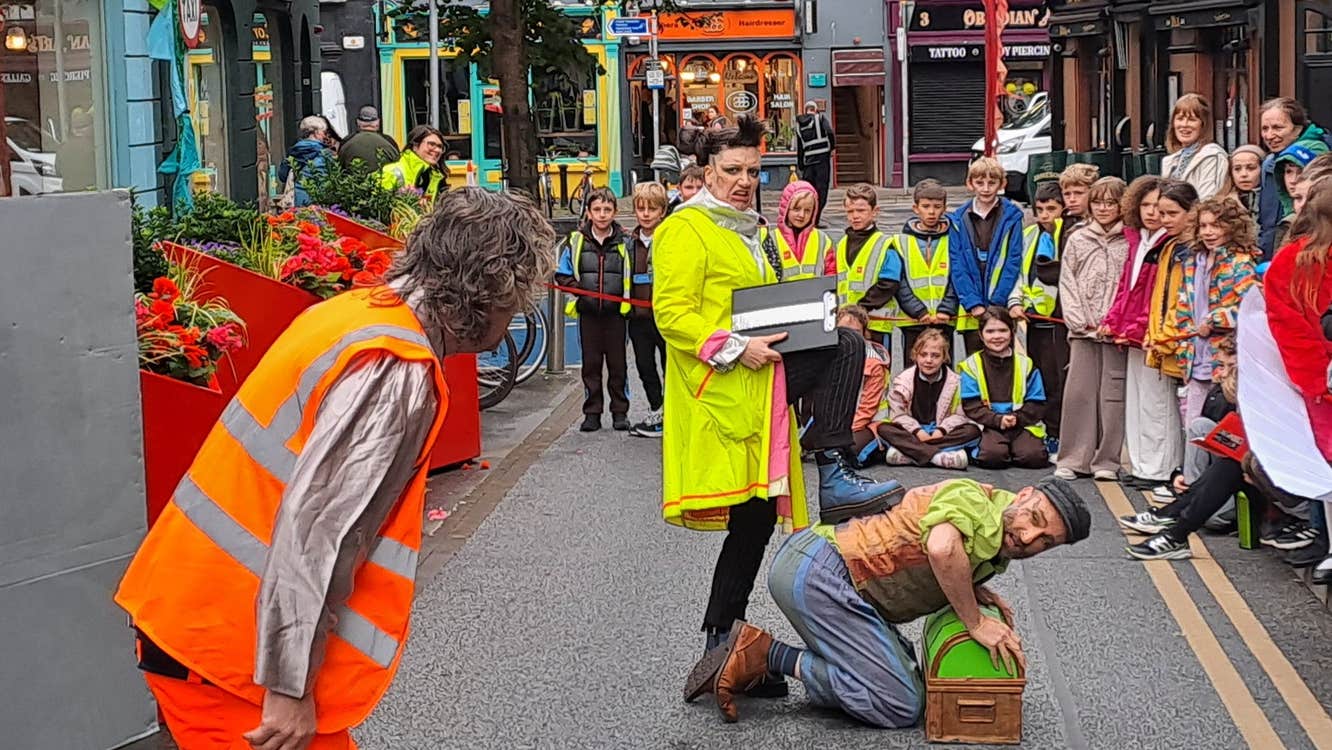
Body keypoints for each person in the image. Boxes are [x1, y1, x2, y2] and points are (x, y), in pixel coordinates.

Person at [113, 188, 556, 750]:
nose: (516, 313)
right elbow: (318, 531)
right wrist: (289, 686)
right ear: (487, 291)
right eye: (516, 299)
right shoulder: (395, 371)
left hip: (209, 628)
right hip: (231, 660)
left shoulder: (355, 317)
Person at [652, 116, 904, 696]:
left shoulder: (749, 228)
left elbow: (761, 303)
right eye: (732, 171)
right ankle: (835, 474)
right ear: (706, 172)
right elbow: (673, 314)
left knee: (757, 519)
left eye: (752, 170)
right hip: (722, 389)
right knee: (753, 518)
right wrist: (736, 348)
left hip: (762, 386)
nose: (744, 181)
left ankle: (723, 643)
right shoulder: (684, 230)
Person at [686, 476, 1091, 727]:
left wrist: (974, 589)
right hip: (821, 574)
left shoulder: (993, 529)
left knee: (910, 674)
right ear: (1023, 495)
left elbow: (940, 549)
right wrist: (974, 621)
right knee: (900, 703)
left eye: (1045, 542)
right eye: (1034, 520)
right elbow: (941, 546)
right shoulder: (977, 504)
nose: (1028, 538)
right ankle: (764, 654)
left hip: (825, 573)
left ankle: (822, 665)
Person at [1122, 337, 1249, 560]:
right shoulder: (1223, 390)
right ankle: (1176, 518)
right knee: (1203, 429)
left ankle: (1176, 526)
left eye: (1232, 367)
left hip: (1256, 494)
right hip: (1222, 488)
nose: (1224, 373)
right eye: (1222, 366)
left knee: (1236, 462)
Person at [1261, 181, 1332, 577]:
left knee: (1327, 463)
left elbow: (1286, 325)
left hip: (1319, 379)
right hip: (1321, 374)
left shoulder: (1289, 262)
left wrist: (1312, 374)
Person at [1103, 176, 1179, 491]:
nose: (1151, 212)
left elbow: (1155, 296)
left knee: (1157, 403)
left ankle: (1159, 468)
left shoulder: (1168, 244)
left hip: (1153, 334)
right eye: (1145, 205)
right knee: (1135, 401)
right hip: (1133, 333)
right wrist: (1115, 321)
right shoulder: (1138, 240)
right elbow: (1127, 287)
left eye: (1158, 207)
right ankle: (1140, 463)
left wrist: (1139, 329)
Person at [1054, 177, 1129, 481]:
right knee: (1079, 393)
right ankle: (1073, 458)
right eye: (1098, 202)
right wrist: (1077, 320)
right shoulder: (1078, 238)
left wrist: (1116, 322)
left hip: (1115, 332)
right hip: (1083, 328)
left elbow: (1130, 287)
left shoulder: (1130, 240)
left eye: (1111, 203)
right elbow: (1067, 282)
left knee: (1113, 396)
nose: (1103, 208)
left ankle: (1107, 460)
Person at [555, 187, 632, 432]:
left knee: (618, 366)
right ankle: (592, 412)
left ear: (615, 212)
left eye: (607, 210)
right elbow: (562, 274)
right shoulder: (576, 241)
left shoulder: (625, 242)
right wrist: (581, 291)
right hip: (588, 314)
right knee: (591, 365)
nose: (602, 214)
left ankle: (620, 411)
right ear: (588, 212)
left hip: (616, 315)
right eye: (597, 209)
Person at [1141, 180, 1199, 501]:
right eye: (1161, 212)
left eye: (1172, 213)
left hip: (1182, 345)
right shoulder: (1170, 245)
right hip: (1167, 341)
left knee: (1189, 416)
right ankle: (1181, 473)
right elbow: (1159, 298)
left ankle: (1185, 477)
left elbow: (1183, 300)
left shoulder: (1188, 250)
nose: (1164, 219)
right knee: (1180, 413)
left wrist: (1162, 337)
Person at [1009, 181, 1068, 458]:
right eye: (1040, 209)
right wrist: (1016, 301)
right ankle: (1046, 429)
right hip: (1034, 320)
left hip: (1060, 319)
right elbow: (1019, 273)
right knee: (1041, 379)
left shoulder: (1065, 233)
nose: (1045, 215)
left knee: (1059, 380)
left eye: (1052, 209)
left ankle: (1058, 432)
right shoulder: (1029, 234)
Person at [949, 157, 1026, 355]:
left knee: (1003, 358)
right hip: (971, 307)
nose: (985, 188)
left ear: (1002, 184)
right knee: (974, 360)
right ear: (970, 183)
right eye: (979, 183)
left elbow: (1013, 260)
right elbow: (957, 264)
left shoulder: (1012, 216)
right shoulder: (958, 218)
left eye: (992, 183)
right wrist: (973, 303)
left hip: (1000, 301)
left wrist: (997, 302)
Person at [875, 328, 980, 469]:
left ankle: (910, 453)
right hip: (913, 431)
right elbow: (898, 415)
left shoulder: (956, 382)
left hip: (942, 430)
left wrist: (941, 430)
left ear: (944, 358)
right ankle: (938, 456)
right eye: (923, 355)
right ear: (915, 356)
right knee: (883, 429)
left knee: (973, 431)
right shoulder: (902, 381)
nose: (928, 360)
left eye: (935, 356)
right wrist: (918, 431)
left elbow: (960, 415)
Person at [959, 306, 1049, 468]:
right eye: (990, 331)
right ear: (981, 335)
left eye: (1002, 330)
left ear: (1012, 332)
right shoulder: (972, 366)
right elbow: (971, 406)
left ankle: (1016, 448)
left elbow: (1037, 402)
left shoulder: (1026, 364)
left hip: (1020, 423)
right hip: (988, 424)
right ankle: (995, 449)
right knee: (992, 458)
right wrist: (998, 420)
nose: (997, 336)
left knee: (1034, 457)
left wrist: (1017, 418)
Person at [892, 178, 959, 362]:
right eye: (926, 206)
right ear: (916, 208)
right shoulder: (900, 241)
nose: (931, 212)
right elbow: (900, 282)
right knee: (912, 373)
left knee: (943, 372)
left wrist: (947, 308)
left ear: (944, 209)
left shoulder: (954, 239)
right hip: (913, 320)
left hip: (944, 319)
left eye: (937, 207)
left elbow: (957, 277)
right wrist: (918, 311)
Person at [829, 183, 902, 344]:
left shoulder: (885, 243)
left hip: (875, 323)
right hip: (846, 322)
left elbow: (889, 283)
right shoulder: (841, 244)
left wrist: (860, 308)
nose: (855, 216)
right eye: (850, 211)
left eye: (861, 211)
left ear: (875, 212)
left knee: (876, 367)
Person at [1257, 97, 1331, 256]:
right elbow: (1266, 221)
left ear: (1297, 129)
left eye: (1277, 127)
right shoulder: (1269, 163)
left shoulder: (1316, 153)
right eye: (1265, 128)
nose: (1269, 135)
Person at [626, 181, 669, 438]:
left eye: (651, 209)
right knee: (644, 365)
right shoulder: (629, 242)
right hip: (638, 316)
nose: (645, 214)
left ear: (662, 211)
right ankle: (656, 407)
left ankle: (670, 410)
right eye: (641, 208)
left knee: (669, 366)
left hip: (663, 315)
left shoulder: (669, 238)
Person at [839, 306, 893, 466]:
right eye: (842, 330)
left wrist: (846, 430)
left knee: (848, 452)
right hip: (842, 420)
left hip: (870, 422)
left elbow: (867, 408)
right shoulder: (832, 354)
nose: (848, 336)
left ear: (864, 334)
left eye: (855, 332)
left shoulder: (874, 363)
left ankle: (880, 448)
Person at [1160, 94, 1230, 200]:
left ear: (1203, 124)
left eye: (1192, 120)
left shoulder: (1212, 156)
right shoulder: (1170, 161)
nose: (1184, 124)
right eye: (1180, 118)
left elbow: (1207, 201)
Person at [773, 180, 833, 280]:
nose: (801, 215)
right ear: (786, 209)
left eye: (807, 211)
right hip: (783, 295)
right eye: (796, 209)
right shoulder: (771, 239)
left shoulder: (823, 240)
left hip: (816, 295)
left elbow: (831, 273)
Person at [379, 125, 448, 202]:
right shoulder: (391, 171)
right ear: (415, 146)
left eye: (440, 147)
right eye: (431, 144)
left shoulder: (436, 177)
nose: (437, 150)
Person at [278, 115, 335, 207]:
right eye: (323, 132)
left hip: (296, 201)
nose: (324, 135)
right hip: (318, 203)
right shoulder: (325, 154)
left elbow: (282, 176)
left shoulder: (294, 152)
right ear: (316, 133)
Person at [1271, 142, 1319, 250]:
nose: (1293, 180)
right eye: (1288, 172)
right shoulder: (1286, 220)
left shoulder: (1323, 222)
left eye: (1301, 171)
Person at [794, 101, 835, 227]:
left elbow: (800, 148)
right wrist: (832, 147)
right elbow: (829, 132)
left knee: (808, 192)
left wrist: (800, 165)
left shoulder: (798, 125)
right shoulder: (820, 118)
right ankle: (815, 221)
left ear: (806, 110)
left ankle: (807, 220)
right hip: (822, 161)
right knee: (821, 192)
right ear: (815, 110)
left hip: (808, 164)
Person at [338, 106, 401, 173]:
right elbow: (398, 168)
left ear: (358, 123)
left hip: (353, 182)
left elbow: (339, 169)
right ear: (377, 123)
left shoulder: (346, 142)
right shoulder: (389, 142)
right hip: (383, 182)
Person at [1227, 144, 1265, 217]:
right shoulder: (1223, 205)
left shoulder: (1275, 200)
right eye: (1237, 169)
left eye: (1251, 168)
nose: (1244, 174)